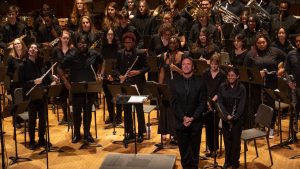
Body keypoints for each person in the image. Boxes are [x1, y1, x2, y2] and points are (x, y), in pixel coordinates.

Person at [58, 33, 102, 143]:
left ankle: (87, 133)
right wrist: (66, 82)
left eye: (84, 43)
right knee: (77, 113)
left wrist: (100, 74)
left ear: (88, 44)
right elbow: (59, 68)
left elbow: (103, 61)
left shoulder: (93, 53)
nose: (82, 45)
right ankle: (77, 134)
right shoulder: (71, 55)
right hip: (76, 88)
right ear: (77, 43)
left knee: (88, 112)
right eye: (80, 43)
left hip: (90, 88)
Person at [244, 31, 286, 133]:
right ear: (256, 43)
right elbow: (245, 69)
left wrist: (283, 69)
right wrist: (257, 74)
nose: (261, 44)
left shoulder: (274, 51)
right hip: (256, 84)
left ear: (267, 42)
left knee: (270, 104)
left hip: (271, 82)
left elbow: (288, 58)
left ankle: (271, 127)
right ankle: (260, 125)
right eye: (259, 43)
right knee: (257, 104)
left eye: (263, 42)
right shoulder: (251, 53)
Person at [18, 43, 58, 150]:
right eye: (31, 47)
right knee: (32, 120)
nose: (33, 49)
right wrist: (33, 82)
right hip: (31, 95)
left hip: (42, 94)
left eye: (35, 48)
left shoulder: (41, 63)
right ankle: (31, 141)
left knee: (43, 118)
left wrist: (52, 77)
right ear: (28, 50)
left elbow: (46, 75)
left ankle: (41, 139)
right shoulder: (23, 65)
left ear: (37, 51)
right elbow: (21, 83)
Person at [170, 57, 207, 169]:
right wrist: (183, 117)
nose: (186, 66)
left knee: (194, 150)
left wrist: (192, 118)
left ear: (193, 67)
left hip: (195, 122)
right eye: (184, 64)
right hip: (180, 121)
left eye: (188, 64)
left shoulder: (200, 82)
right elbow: (174, 103)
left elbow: (202, 103)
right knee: (184, 150)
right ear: (181, 67)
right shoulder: (174, 82)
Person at [114, 32, 149, 143]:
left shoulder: (140, 53)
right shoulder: (120, 53)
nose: (128, 44)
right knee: (127, 109)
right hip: (126, 85)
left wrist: (138, 72)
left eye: (130, 42)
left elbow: (147, 67)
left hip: (138, 85)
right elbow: (115, 68)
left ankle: (140, 133)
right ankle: (129, 132)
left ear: (134, 42)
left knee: (138, 109)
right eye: (126, 42)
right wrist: (120, 76)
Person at [217, 67, 246, 169]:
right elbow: (220, 103)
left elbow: (242, 105)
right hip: (226, 118)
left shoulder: (241, 88)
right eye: (229, 75)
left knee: (235, 142)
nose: (230, 77)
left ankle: (235, 162)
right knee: (227, 141)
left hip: (237, 119)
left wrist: (234, 117)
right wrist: (226, 116)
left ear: (237, 76)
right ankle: (227, 161)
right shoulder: (222, 87)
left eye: (233, 75)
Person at [158, 36, 183, 143]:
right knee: (165, 108)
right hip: (167, 84)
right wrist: (160, 87)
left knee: (175, 109)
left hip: (178, 85)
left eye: (174, 43)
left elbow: (185, 73)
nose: (172, 45)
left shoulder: (182, 55)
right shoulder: (164, 56)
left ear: (178, 44)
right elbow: (162, 72)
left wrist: (176, 69)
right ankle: (165, 131)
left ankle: (175, 134)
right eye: (171, 43)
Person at [202, 53, 226, 157]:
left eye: (216, 64)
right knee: (208, 126)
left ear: (218, 64)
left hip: (216, 102)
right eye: (212, 64)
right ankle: (208, 147)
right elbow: (202, 88)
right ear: (210, 63)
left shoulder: (222, 74)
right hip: (206, 102)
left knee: (215, 126)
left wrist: (213, 101)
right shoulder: (205, 73)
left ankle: (215, 148)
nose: (214, 66)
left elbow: (221, 90)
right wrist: (207, 101)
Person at [52, 29, 75, 125]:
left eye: (67, 38)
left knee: (71, 97)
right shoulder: (55, 50)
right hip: (60, 76)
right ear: (60, 38)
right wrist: (53, 75)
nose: (66, 40)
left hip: (71, 76)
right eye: (64, 38)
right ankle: (65, 116)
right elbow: (54, 64)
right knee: (62, 97)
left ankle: (72, 116)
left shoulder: (73, 50)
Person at [100, 28, 122, 125]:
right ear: (105, 35)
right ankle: (111, 115)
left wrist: (114, 75)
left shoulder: (118, 47)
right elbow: (103, 62)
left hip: (116, 74)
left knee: (118, 96)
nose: (110, 36)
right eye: (108, 34)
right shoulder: (103, 47)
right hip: (106, 75)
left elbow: (119, 63)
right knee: (108, 97)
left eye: (112, 34)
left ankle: (119, 116)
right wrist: (104, 74)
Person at [284, 34, 300, 141]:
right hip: (295, 87)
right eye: (297, 41)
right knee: (294, 112)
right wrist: (289, 81)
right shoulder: (291, 54)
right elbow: (286, 70)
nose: (298, 43)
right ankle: (293, 136)